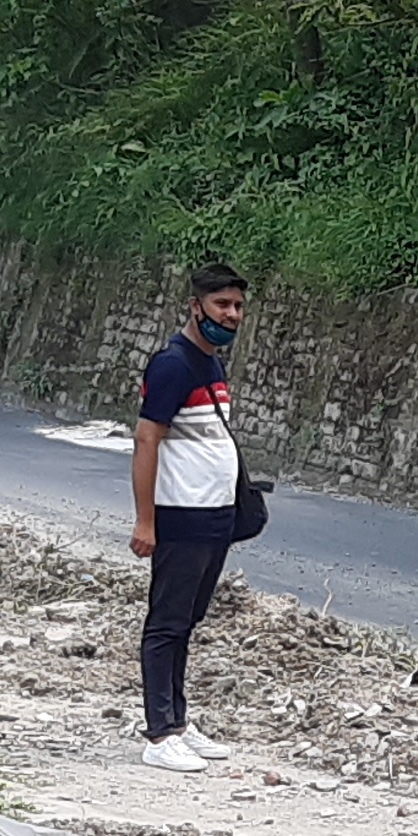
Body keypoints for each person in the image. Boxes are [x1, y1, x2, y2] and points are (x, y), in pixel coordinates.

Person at [128, 261, 252, 774]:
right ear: (196, 306)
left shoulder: (213, 366)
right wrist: (145, 520)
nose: (231, 314)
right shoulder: (172, 365)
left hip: (214, 516)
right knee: (167, 622)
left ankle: (178, 722)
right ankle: (158, 735)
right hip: (180, 515)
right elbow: (146, 440)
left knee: (189, 621)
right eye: (222, 304)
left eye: (238, 306)